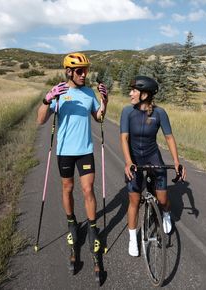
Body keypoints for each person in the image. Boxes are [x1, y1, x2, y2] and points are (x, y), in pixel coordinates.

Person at [37, 52, 108, 256]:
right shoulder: (59, 91)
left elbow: (99, 117)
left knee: (88, 190)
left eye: (86, 70)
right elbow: (40, 120)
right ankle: (71, 224)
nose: (84, 74)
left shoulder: (88, 93)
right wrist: (47, 99)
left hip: (85, 150)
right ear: (69, 71)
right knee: (67, 188)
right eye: (79, 71)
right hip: (64, 151)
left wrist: (105, 100)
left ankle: (93, 228)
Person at [120, 76, 186, 257]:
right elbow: (124, 138)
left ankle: (165, 214)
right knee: (134, 201)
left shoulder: (160, 113)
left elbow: (169, 138)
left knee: (163, 199)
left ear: (145, 94)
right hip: (134, 160)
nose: (130, 93)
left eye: (134, 90)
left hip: (153, 157)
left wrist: (177, 161)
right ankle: (133, 239)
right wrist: (128, 162)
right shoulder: (127, 112)